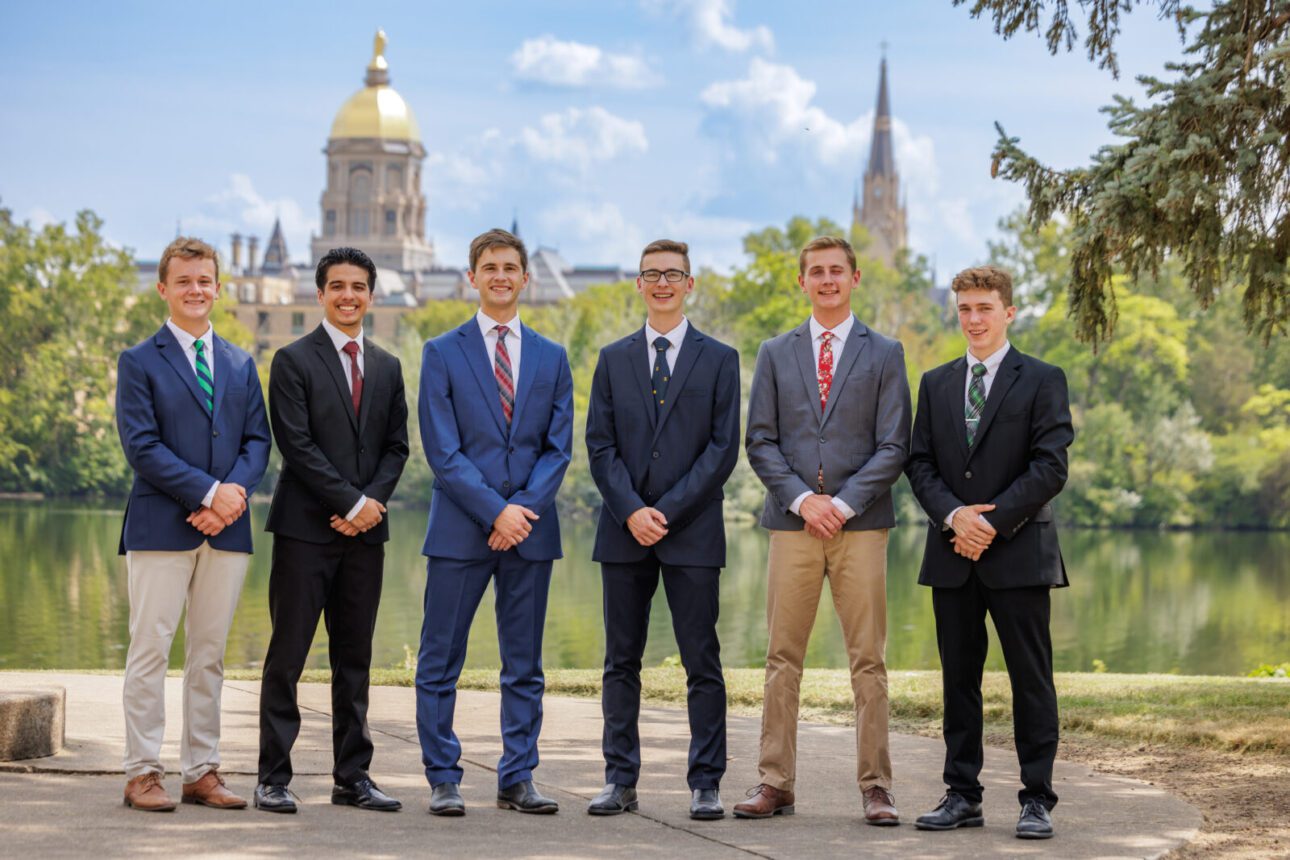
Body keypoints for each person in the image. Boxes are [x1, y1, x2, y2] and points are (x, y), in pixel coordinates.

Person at [737, 236, 910, 825]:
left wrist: (840, 503)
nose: (827, 279)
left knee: (869, 660)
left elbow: (895, 446)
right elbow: (759, 440)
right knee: (782, 657)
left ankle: (877, 788)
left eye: (837, 270)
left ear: (855, 278)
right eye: (817, 271)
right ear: (802, 281)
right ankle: (775, 783)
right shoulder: (774, 352)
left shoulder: (885, 353)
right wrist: (803, 500)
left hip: (861, 527)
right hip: (792, 525)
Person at [905, 265, 1073, 840]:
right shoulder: (935, 381)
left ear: (1008, 312)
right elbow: (919, 463)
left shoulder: (1043, 379)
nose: (973, 320)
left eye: (984, 308)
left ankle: (1036, 798)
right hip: (952, 553)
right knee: (958, 679)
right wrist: (955, 516)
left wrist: (990, 522)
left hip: (1019, 552)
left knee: (1031, 679)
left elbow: (1051, 466)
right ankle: (962, 794)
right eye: (965, 310)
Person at [415, 228, 574, 816]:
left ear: (525, 278)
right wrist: (494, 511)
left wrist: (520, 514)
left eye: (510, 267)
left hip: (529, 534)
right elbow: (442, 448)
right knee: (440, 659)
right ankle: (443, 777)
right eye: (490, 267)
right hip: (461, 529)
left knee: (525, 663)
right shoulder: (442, 352)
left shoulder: (553, 357)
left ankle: (517, 776)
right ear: (472, 277)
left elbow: (558, 449)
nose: (501, 276)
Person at [584, 240, 740, 820]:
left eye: (672, 274)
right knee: (620, 661)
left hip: (693, 533)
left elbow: (722, 450)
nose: (662, 283)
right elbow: (599, 446)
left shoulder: (720, 359)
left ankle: (706, 782)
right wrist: (631, 511)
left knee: (702, 660)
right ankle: (619, 780)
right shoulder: (612, 358)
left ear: (690, 283)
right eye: (651, 275)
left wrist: (666, 513)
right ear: (639, 284)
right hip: (623, 532)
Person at [115, 236, 271, 811]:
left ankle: (201, 770)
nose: (195, 290)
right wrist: (207, 492)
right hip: (160, 527)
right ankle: (142, 771)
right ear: (164, 289)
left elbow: (259, 440)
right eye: (184, 281)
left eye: (204, 280)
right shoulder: (139, 361)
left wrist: (230, 498)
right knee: (150, 649)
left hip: (227, 531)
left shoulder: (239, 361)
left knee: (209, 653)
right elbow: (142, 446)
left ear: (218, 288)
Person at [254, 247, 410, 814]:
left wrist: (371, 505)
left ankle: (353, 778)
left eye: (359, 287)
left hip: (366, 536)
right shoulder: (292, 360)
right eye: (338, 286)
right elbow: (296, 444)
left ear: (372, 294)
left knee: (356, 660)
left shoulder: (389, 366)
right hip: (305, 532)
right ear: (320, 294)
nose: (349, 296)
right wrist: (350, 500)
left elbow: (397, 448)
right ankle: (272, 775)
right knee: (287, 655)